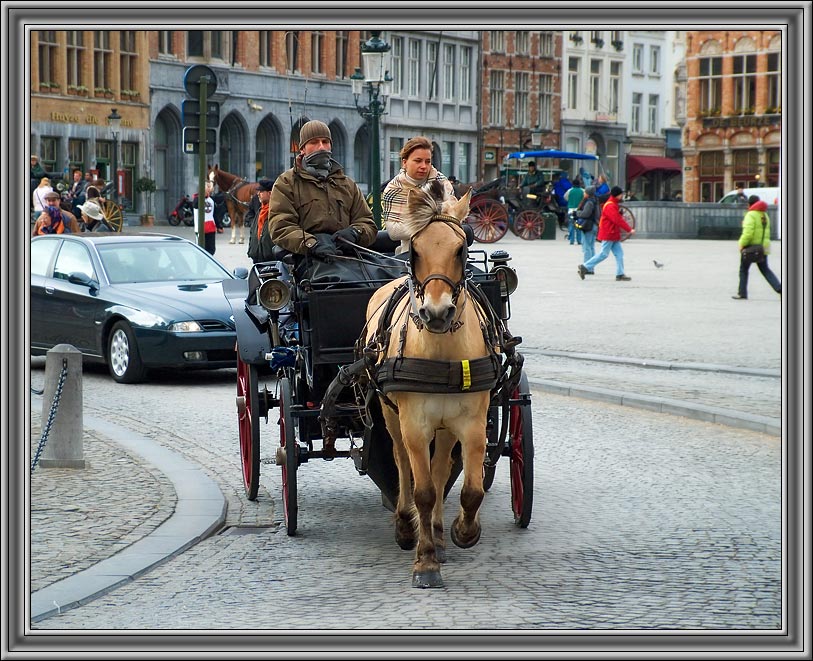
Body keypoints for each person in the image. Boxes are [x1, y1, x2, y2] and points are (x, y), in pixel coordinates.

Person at [265, 120, 377, 261]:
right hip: (305, 260)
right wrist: (312, 244)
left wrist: (355, 232)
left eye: (325, 142)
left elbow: (368, 223)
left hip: (348, 259)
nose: (321, 147)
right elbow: (280, 227)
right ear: (302, 149)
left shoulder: (347, 184)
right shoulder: (287, 182)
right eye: (314, 142)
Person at [382, 136, 457, 254]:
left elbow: (454, 219)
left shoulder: (442, 182)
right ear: (404, 163)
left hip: (445, 249)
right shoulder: (394, 189)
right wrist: (433, 222)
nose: (424, 166)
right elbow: (394, 232)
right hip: (411, 253)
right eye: (418, 161)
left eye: (428, 161)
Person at [577, 185, 635, 281]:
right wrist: (629, 229)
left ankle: (620, 274)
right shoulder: (610, 205)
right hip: (609, 233)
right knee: (604, 254)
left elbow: (617, 218)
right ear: (617, 195)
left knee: (619, 253)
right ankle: (585, 266)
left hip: (612, 233)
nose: (622, 196)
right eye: (621, 194)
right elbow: (617, 220)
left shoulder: (612, 204)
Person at [732, 195, 781, 300]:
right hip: (764, 246)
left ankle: (742, 293)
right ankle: (780, 288)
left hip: (752, 247)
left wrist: (741, 243)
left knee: (743, 269)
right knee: (765, 269)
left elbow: (748, 233)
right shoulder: (764, 215)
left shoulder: (751, 215)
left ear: (750, 204)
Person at [246, 178, 276, 264]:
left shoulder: (277, 211)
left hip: (271, 259)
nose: (258, 194)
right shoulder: (260, 211)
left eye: (261, 191)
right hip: (257, 257)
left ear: (270, 193)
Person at [574, 185, 601, 270]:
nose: (584, 193)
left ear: (588, 193)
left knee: (587, 247)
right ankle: (591, 267)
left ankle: (587, 267)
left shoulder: (589, 202)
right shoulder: (595, 201)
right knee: (591, 246)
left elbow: (586, 214)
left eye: (585, 192)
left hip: (588, 226)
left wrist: (577, 213)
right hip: (594, 225)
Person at [565, 176, 585, 245]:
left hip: (571, 210)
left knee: (571, 225)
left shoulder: (569, 191)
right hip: (579, 211)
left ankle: (571, 240)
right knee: (578, 225)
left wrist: (570, 201)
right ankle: (579, 240)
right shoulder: (583, 191)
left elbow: (565, 197)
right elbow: (585, 199)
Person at [202, 180, 218, 255]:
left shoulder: (211, 199)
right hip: (202, 226)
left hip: (210, 225)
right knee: (203, 247)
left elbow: (214, 214)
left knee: (211, 248)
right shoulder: (198, 199)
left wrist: (219, 225)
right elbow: (195, 205)